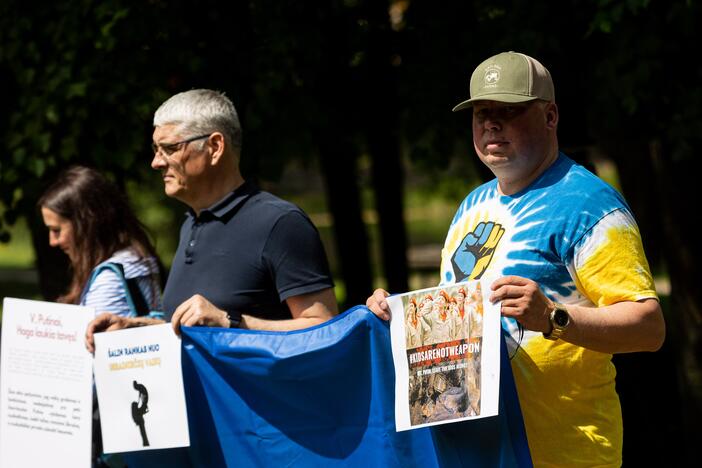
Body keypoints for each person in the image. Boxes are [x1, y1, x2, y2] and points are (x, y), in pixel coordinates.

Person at [367, 51, 665, 466]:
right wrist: (397, 317)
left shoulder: (589, 205)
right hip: (479, 451)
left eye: (509, 110)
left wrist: (553, 319)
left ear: (550, 116)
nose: (491, 122)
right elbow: (454, 326)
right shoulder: (471, 206)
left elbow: (649, 329)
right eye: (481, 113)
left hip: (565, 454)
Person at [86, 89, 337, 350]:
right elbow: (195, 329)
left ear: (215, 147)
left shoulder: (280, 222)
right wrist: (133, 327)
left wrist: (231, 322)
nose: (156, 162)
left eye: (170, 148)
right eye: (155, 149)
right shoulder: (191, 224)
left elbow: (325, 329)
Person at [39, 165, 162, 315]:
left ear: (86, 224)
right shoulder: (134, 259)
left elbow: (95, 338)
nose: (53, 241)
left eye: (57, 230)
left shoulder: (109, 280)